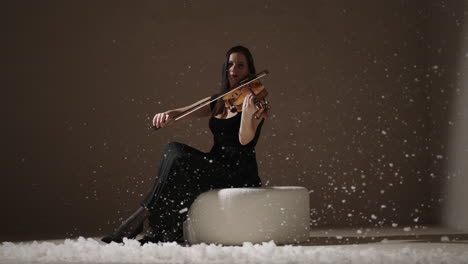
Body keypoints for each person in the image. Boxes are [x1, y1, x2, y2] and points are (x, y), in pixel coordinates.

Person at [101, 45, 266, 244]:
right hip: (216, 163)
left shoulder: (255, 102)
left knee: (179, 160)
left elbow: (245, 141)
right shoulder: (219, 100)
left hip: (238, 171)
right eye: (230, 64)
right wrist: (168, 115)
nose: (234, 69)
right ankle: (163, 232)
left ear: (249, 70)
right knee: (173, 150)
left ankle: (141, 216)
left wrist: (247, 116)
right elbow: (184, 112)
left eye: (240, 65)